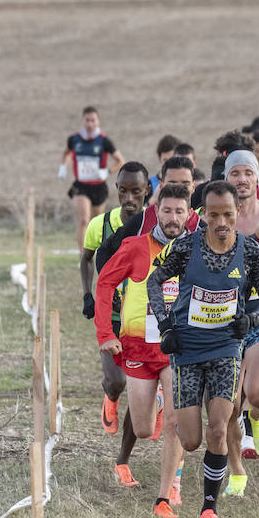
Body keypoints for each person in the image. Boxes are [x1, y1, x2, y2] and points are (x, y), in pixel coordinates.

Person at [146, 181, 259, 518]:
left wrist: (251, 318)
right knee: (190, 438)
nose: (221, 221)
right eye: (214, 214)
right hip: (187, 348)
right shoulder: (185, 248)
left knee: (218, 427)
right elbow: (154, 281)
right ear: (202, 215)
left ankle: (209, 510)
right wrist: (166, 325)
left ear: (238, 214)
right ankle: (197, 489)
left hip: (225, 349)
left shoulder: (251, 252)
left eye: (228, 214)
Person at [94, 183, 191, 515]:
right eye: (167, 211)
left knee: (177, 421)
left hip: (178, 348)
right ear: (156, 212)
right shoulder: (136, 247)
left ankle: (170, 489)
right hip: (138, 344)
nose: (173, 217)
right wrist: (105, 333)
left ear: (189, 214)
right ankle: (159, 400)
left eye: (180, 211)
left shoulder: (196, 249)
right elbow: (105, 281)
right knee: (146, 427)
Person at [219, 150, 259, 495]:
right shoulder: (212, 217)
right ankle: (237, 471)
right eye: (235, 173)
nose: (241, 179)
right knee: (228, 405)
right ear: (227, 177)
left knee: (257, 395)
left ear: (257, 178)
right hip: (223, 320)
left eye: (247, 173)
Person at [81, 162, 150, 437]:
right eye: (124, 191)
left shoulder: (153, 226)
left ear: (148, 190)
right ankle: (110, 397)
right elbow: (86, 259)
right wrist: (87, 294)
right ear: (117, 190)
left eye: (136, 192)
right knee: (116, 380)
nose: (130, 199)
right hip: (110, 313)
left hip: (141, 315)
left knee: (141, 379)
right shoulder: (101, 224)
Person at [58, 105, 126, 252]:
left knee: (97, 223)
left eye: (93, 120)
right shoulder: (74, 140)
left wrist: (107, 171)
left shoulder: (104, 141)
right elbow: (66, 153)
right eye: (87, 120)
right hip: (81, 186)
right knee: (84, 220)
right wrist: (63, 166)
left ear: (98, 122)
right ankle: (82, 256)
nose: (89, 124)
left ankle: (99, 253)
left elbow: (121, 161)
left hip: (98, 186)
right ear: (83, 121)